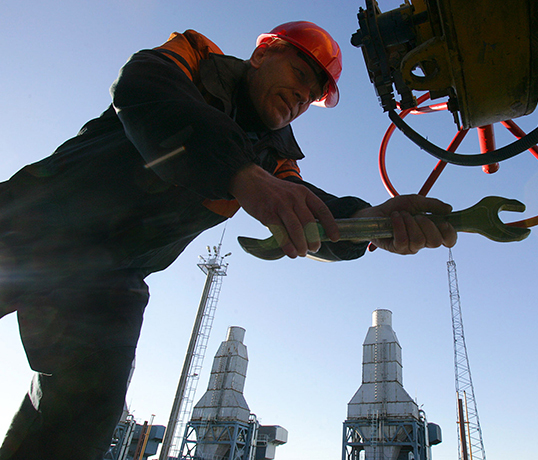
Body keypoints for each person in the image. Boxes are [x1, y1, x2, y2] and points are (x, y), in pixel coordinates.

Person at [0, 21, 456, 460]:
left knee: (78, 422)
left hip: (105, 281)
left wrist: (370, 220)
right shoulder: (193, 58)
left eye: (313, 94)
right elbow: (144, 90)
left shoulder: (274, 158)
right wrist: (241, 174)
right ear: (261, 54)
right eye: (299, 73)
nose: (302, 96)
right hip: (31, 225)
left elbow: (308, 206)